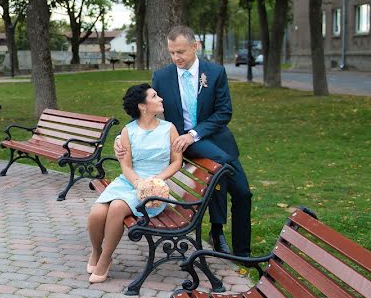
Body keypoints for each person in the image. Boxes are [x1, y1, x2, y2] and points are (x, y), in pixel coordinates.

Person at [116, 25, 252, 257]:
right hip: (181, 142)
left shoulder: (215, 72)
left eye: (181, 52)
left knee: (243, 193)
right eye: (172, 53)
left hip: (217, 141)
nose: (176, 57)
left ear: (194, 47)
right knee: (219, 166)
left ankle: (243, 253)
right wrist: (122, 135)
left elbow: (224, 112)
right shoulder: (162, 77)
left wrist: (194, 133)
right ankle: (218, 231)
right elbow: (145, 108)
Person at [87, 83, 183, 283]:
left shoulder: (169, 128)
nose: (160, 99)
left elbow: (177, 162)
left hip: (155, 187)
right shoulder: (128, 131)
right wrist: (138, 182)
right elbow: (126, 166)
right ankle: (96, 251)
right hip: (130, 181)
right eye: (155, 96)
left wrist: (155, 180)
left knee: (116, 208)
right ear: (142, 105)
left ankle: (105, 258)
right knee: (97, 213)